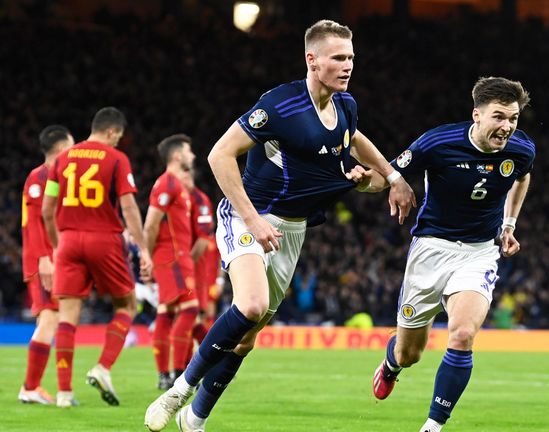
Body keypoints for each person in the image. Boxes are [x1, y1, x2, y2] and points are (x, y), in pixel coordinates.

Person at [144, 19, 416, 431]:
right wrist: (252, 219)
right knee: (249, 305)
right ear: (312, 60)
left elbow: (356, 140)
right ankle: (179, 389)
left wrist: (388, 177)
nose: (347, 66)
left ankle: (194, 419)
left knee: (246, 338)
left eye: (351, 58)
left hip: (292, 230)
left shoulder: (345, 106)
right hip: (248, 214)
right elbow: (220, 155)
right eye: (338, 58)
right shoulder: (280, 105)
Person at [367, 77, 535, 432]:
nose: (507, 127)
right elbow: (390, 173)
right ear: (476, 115)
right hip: (431, 249)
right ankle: (392, 364)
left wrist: (509, 224)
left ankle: (433, 425)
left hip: (479, 253)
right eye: (499, 117)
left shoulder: (521, 149)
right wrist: (364, 179)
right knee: (409, 353)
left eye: (514, 119)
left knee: (461, 334)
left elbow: (522, 177)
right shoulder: (438, 141)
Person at [41, 107, 152, 408]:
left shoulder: (63, 159)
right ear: (113, 131)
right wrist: (142, 249)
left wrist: (56, 244)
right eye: (119, 137)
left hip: (68, 241)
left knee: (67, 316)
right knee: (128, 304)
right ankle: (102, 367)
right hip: (104, 239)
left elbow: (46, 210)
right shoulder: (116, 159)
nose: (118, 142)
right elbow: (128, 208)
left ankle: (64, 394)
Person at [17, 125, 74, 405]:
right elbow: (36, 222)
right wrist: (43, 259)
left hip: (54, 259)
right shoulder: (39, 177)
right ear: (61, 148)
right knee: (50, 319)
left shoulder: (58, 178)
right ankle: (30, 387)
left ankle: (33, 385)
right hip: (43, 261)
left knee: (47, 320)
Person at [144, 134, 200, 390]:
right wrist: (148, 257)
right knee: (189, 310)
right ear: (177, 156)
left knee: (166, 313)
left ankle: (164, 375)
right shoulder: (167, 183)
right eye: (189, 151)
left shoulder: (176, 186)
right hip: (174, 259)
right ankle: (180, 374)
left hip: (175, 258)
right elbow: (151, 223)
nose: (193, 156)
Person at [179, 161, 218, 361]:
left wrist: (183, 265)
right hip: (180, 268)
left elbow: (203, 240)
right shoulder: (177, 198)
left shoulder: (200, 200)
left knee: (192, 316)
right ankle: (211, 359)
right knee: (187, 318)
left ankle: (212, 357)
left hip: (195, 271)